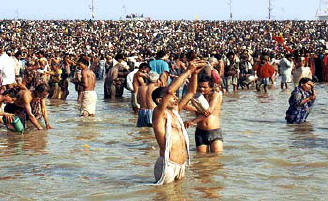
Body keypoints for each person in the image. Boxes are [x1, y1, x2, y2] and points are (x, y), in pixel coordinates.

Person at [152, 59, 206, 185]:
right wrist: (187, 71)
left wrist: (195, 74)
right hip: (168, 164)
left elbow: (191, 93)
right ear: (160, 100)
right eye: (172, 98)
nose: (176, 98)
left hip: (181, 165)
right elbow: (169, 91)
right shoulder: (159, 113)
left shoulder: (175, 111)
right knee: (166, 196)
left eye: (176, 96)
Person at [184, 75, 223, 153]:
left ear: (211, 87)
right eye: (200, 87)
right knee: (202, 159)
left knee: (216, 159)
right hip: (200, 132)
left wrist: (193, 121)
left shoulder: (215, 95)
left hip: (214, 131)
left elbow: (209, 111)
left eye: (205, 87)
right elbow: (184, 105)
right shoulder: (196, 96)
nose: (202, 89)